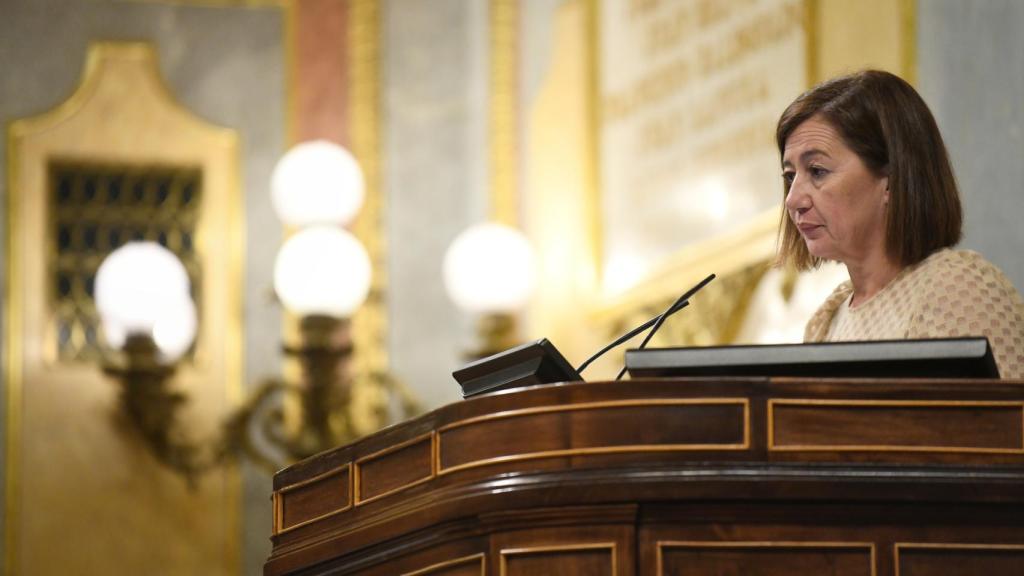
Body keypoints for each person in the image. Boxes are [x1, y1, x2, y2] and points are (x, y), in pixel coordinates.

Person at [775, 69, 1024, 379]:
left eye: (817, 171)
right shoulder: (826, 322)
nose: (793, 199)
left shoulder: (956, 289)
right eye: (790, 176)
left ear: (892, 179)